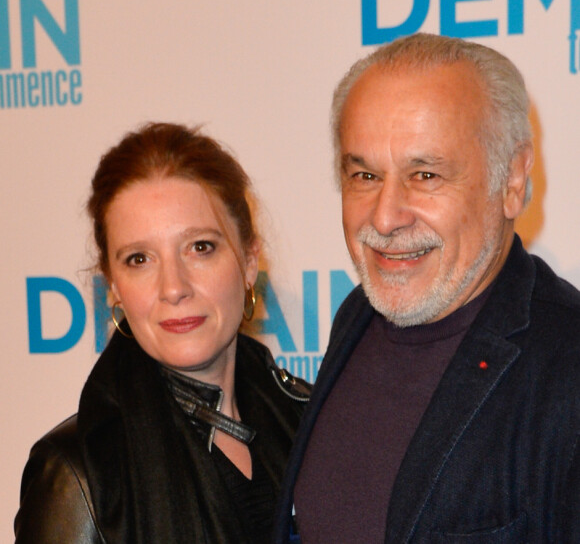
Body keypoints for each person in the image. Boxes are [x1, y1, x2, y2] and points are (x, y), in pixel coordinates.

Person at [272, 33, 580, 542]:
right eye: (365, 175)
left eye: (426, 174)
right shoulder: (357, 315)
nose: (386, 216)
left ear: (512, 180)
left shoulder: (568, 367)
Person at [15, 122, 310, 544]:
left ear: (248, 261)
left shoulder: (306, 422)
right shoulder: (76, 473)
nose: (173, 287)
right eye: (139, 259)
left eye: (200, 247)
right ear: (114, 286)